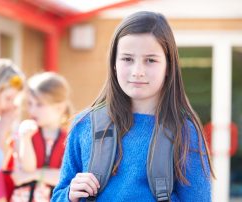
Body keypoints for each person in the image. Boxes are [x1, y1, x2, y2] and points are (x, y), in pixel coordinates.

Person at [52, 11, 214, 202]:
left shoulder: (186, 133)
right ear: (114, 63)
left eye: (150, 60)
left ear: (169, 66)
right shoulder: (84, 125)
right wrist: (69, 195)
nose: (138, 71)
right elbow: (58, 196)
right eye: (127, 59)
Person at [10, 72, 72, 202]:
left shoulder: (70, 138)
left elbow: (66, 176)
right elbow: (26, 168)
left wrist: (33, 175)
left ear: (59, 107)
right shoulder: (24, 132)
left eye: (39, 105)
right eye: (30, 103)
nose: (32, 110)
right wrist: (25, 139)